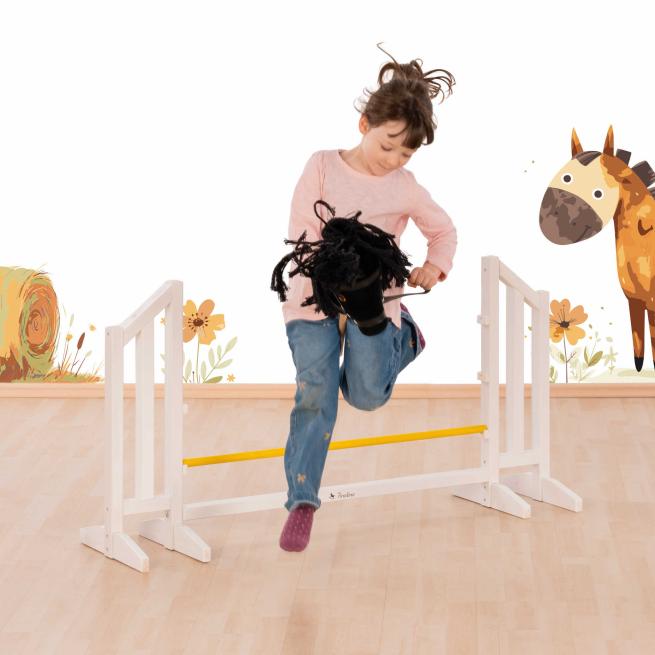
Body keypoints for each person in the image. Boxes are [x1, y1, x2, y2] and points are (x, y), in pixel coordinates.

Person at [277, 44, 457, 552]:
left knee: (366, 397)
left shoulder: (405, 187)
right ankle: (303, 500)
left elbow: (444, 232)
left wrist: (433, 266)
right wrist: (331, 285)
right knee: (316, 391)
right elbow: (303, 235)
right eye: (388, 146)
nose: (394, 160)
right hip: (312, 300)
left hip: (372, 306)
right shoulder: (322, 166)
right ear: (364, 125)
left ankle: (403, 338)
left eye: (406, 154)